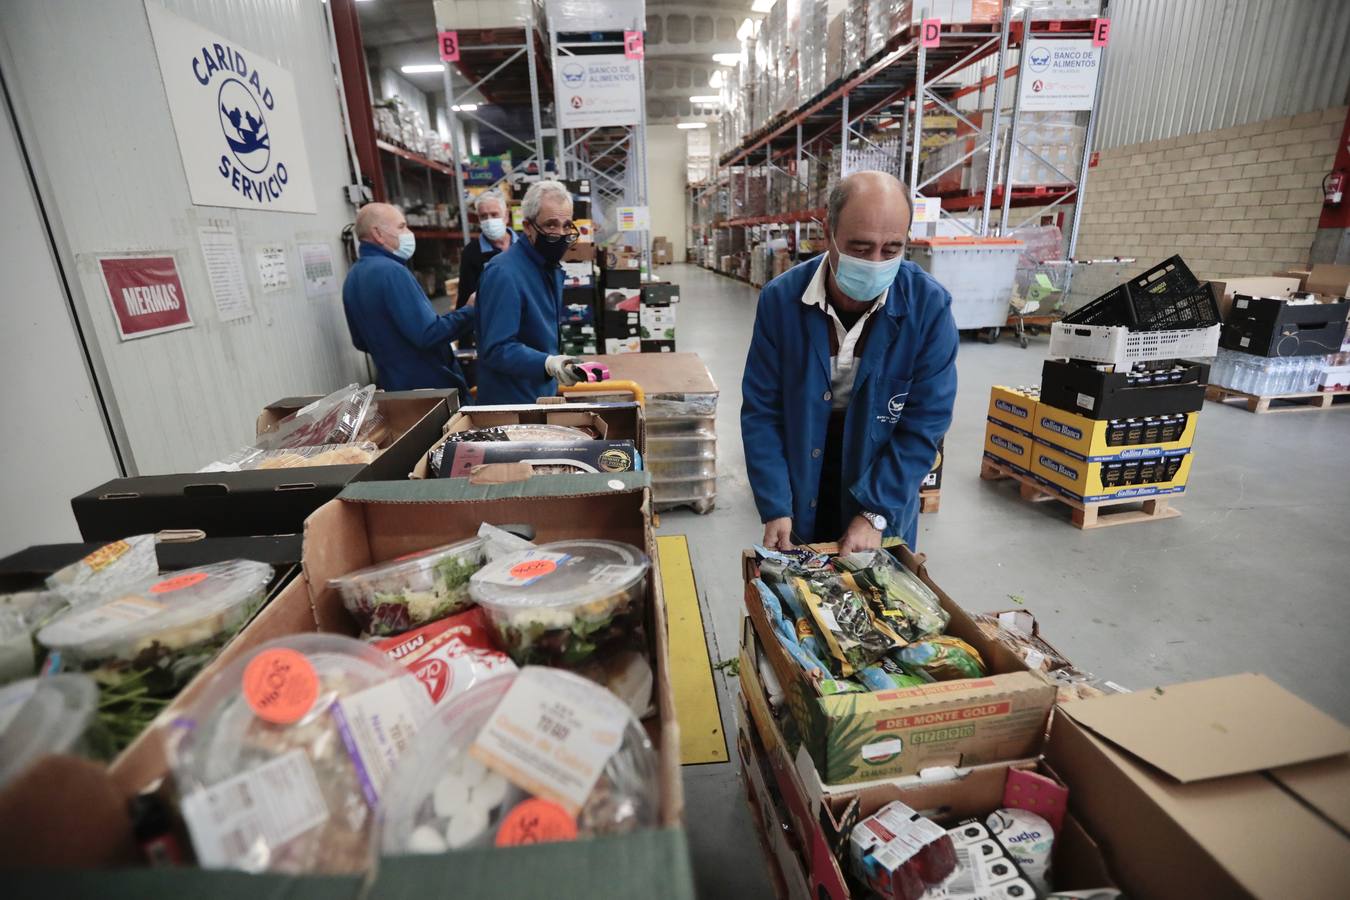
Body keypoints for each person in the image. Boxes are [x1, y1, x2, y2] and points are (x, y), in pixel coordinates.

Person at [740, 171, 958, 553]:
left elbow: (925, 424)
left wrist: (876, 511)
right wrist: (776, 504)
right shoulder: (781, 301)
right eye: (859, 248)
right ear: (827, 232)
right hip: (802, 474)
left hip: (880, 475)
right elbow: (762, 410)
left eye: (891, 250)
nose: (875, 262)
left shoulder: (928, 308)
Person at [342, 202, 474, 393]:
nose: (408, 233)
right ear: (378, 234)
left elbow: (360, 341)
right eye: (401, 227)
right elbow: (428, 334)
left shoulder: (353, 277)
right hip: (428, 388)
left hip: (394, 386)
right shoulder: (393, 272)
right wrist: (469, 311)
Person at [475, 180, 586, 405]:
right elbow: (497, 348)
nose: (561, 233)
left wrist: (556, 365)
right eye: (551, 225)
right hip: (510, 405)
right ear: (527, 227)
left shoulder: (546, 268)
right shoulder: (505, 273)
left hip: (538, 394)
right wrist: (546, 363)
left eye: (566, 225)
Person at [455, 189, 516, 312]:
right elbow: (465, 297)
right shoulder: (471, 252)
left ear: (506, 216)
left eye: (494, 214)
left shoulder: (524, 244)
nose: (489, 220)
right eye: (483, 216)